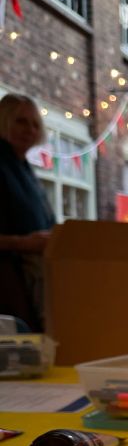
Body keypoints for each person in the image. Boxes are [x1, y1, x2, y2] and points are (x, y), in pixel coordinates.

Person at [0, 93, 55, 330]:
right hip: (8, 280)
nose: (29, 130)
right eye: (21, 121)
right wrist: (23, 243)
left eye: (35, 124)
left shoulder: (25, 170)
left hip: (35, 276)